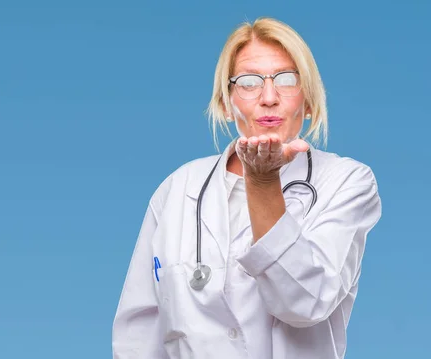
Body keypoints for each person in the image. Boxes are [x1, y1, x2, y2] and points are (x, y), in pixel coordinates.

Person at [111, 17, 382, 359]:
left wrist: (262, 179)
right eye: (249, 82)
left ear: (309, 101)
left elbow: (305, 302)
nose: (269, 97)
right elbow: (137, 335)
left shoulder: (346, 182)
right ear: (225, 104)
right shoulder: (177, 190)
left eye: (286, 80)